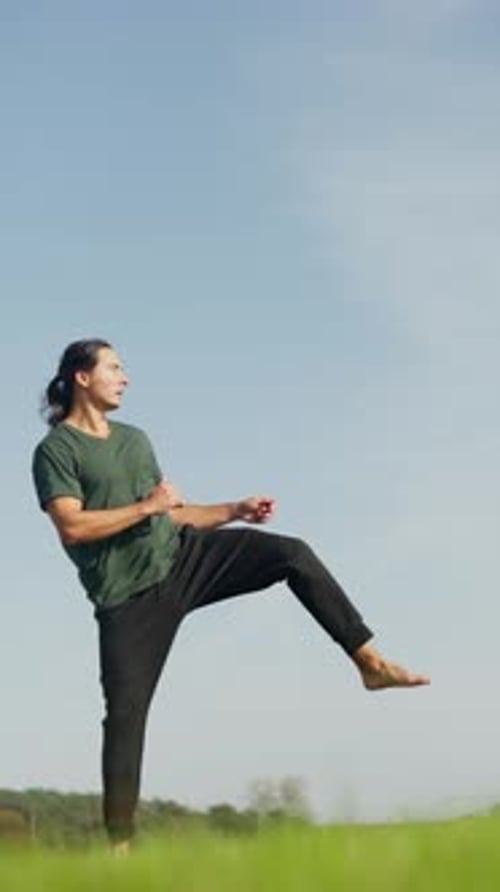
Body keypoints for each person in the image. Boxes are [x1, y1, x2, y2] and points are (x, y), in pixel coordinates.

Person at [32, 338, 430, 851]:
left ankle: (370, 662)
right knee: (126, 715)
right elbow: (73, 526)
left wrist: (233, 509)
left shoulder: (135, 439)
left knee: (292, 554)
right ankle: (120, 848)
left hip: (182, 557)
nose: (125, 377)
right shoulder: (57, 450)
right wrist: (147, 508)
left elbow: (174, 512)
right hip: (128, 598)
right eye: (114, 367)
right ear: (82, 378)